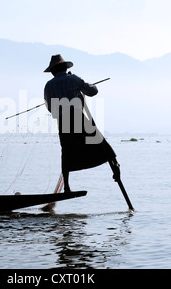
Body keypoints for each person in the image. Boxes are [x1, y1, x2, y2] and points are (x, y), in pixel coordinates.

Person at [43, 54, 122, 193]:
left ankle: (67, 187)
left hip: (63, 122)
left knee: (67, 151)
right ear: (64, 68)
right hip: (77, 117)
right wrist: (86, 85)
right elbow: (92, 91)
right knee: (100, 142)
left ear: (54, 71)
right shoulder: (73, 79)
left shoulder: (49, 86)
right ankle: (115, 166)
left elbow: (50, 108)